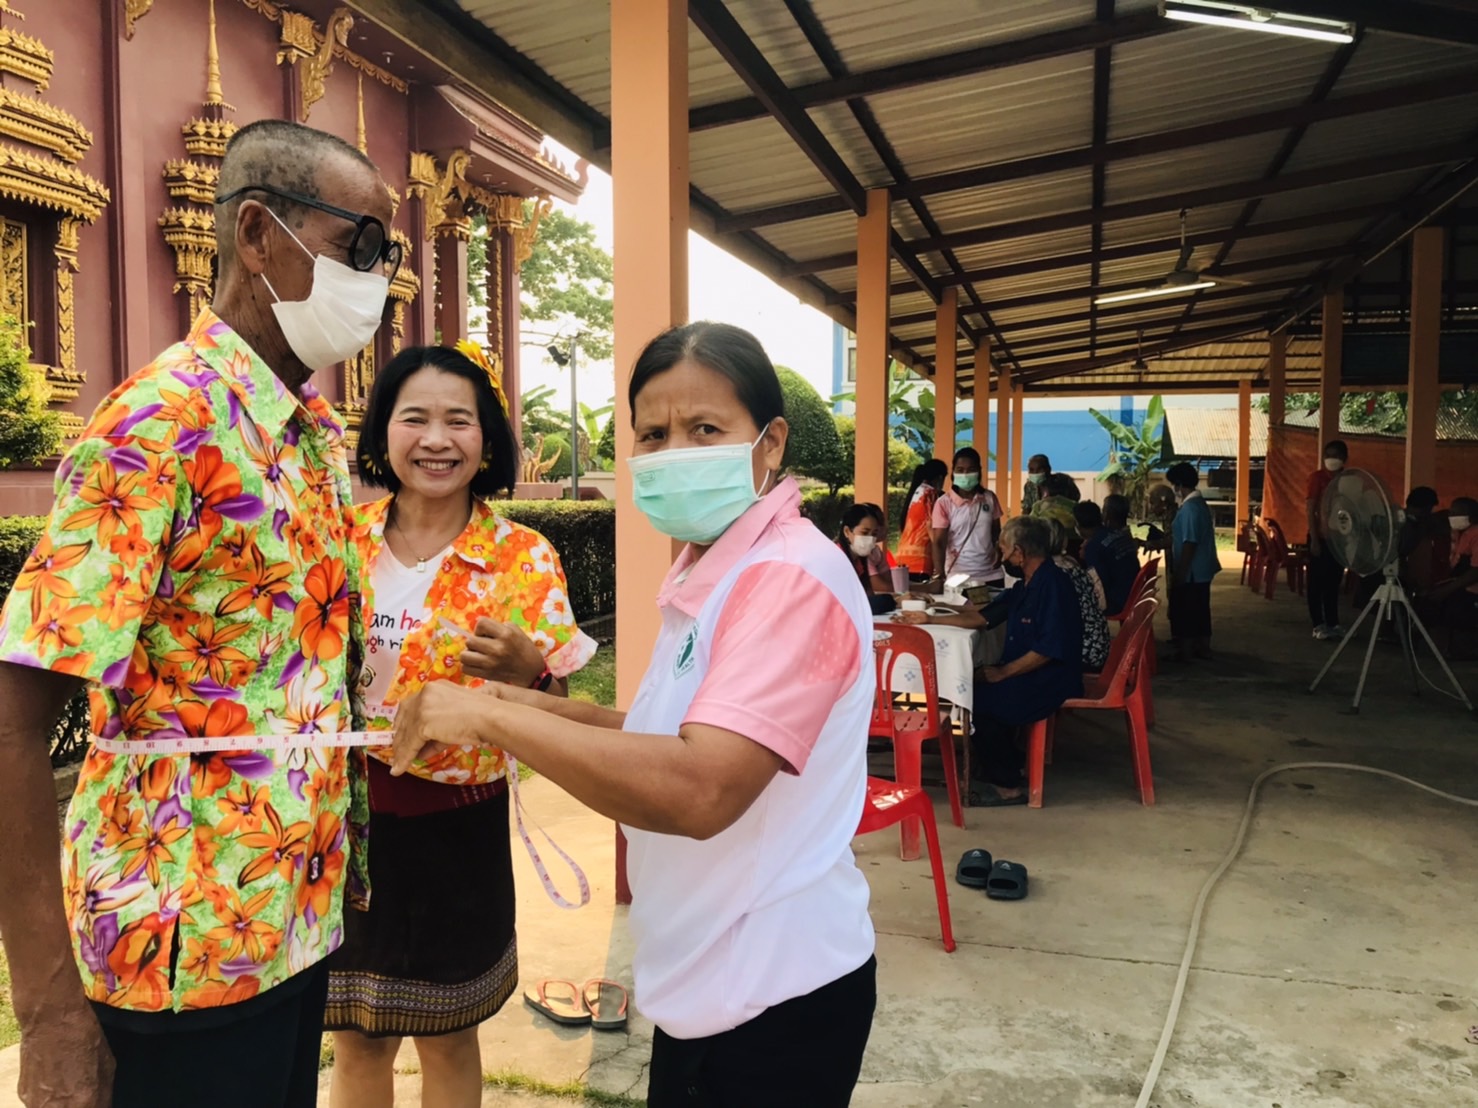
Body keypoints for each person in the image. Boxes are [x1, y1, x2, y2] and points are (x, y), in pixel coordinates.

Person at [0, 119, 395, 1107]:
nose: (378, 278)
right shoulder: (157, 428)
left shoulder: (308, 436)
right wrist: (48, 1013)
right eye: (362, 245)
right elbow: (13, 718)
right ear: (258, 235)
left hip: (291, 923)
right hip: (178, 948)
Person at [388, 321, 877, 1108]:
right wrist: (505, 701)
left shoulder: (788, 580)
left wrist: (491, 723)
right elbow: (657, 743)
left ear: (772, 443)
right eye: (653, 434)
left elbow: (699, 789)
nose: (674, 451)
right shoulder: (719, 572)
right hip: (707, 981)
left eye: (705, 429)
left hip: (772, 991)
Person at [326, 343, 596, 1107]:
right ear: (383, 433)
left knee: (448, 1036)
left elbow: (558, 696)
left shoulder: (523, 557)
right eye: (415, 418)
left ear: (487, 441)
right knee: (356, 1034)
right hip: (346, 828)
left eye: (459, 421)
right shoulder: (336, 542)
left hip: (456, 831)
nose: (436, 439)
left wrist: (529, 675)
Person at [901, 518, 1081, 807]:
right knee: (977, 684)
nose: (1002, 557)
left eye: (1005, 550)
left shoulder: (1053, 586)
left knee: (980, 701)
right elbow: (985, 616)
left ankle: (1007, 786)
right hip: (1029, 671)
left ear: (1020, 553)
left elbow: (1048, 649)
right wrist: (932, 613)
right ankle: (1008, 766)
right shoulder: (1027, 584)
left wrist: (1003, 672)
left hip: (1050, 678)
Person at [929, 446, 1005, 589]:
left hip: (991, 574)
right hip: (959, 576)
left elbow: (996, 531)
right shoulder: (944, 503)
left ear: (979, 471)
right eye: (960, 470)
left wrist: (999, 551)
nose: (965, 474)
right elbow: (939, 542)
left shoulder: (989, 498)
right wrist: (939, 575)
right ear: (953, 472)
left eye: (971, 470)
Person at [1166, 461, 1219, 661]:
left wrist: (1180, 572)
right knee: (1200, 608)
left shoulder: (1189, 509)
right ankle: (1202, 647)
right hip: (1202, 569)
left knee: (1187, 609)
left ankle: (1186, 651)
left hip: (1193, 571)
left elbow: (1189, 543)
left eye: (1174, 484)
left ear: (1179, 485)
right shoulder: (1198, 504)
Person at [1047, 520, 1110, 671]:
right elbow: (1102, 604)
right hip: (1098, 645)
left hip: (1083, 653)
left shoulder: (1053, 573)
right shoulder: (1071, 563)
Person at [1305, 439, 1349, 640]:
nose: (1332, 459)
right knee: (1316, 582)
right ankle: (1318, 624)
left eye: (1337, 455)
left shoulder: (1348, 480)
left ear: (1344, 459)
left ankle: (1333, 622)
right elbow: (1310, 508)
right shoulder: (1317, 478)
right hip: (1320, 537)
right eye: (1328, 455)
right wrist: (1314, 539)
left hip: (1339, 540)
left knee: (1333, 582)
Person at [1078, 495, 1141, 616]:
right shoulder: (1120, 535)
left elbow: (1098, 585)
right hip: (1133, 593)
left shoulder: (1094, 547)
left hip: (1116, 601)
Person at [897, 459, 949, 580]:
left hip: (903, 560)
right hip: (920, 562)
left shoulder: (916, 493)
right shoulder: (931, 494)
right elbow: (933, 530)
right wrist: (940, 569)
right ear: (940, 478)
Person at [836, 502, 893, 596]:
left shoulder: (860, 561)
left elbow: (867, 596)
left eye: (874, 534)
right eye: (864, 533)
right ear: (847, 532)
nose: (870, 539)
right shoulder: (838, 558)